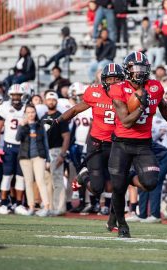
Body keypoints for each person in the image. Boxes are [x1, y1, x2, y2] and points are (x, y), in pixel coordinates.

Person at [108, 51, 167, 237]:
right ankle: (121, 224)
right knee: (117, 188)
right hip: (122, 143)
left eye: (142, 68)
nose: (139, 72)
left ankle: (128, 177)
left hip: (143, 144)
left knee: (150, 182)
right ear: (127, 69)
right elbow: (126, 121)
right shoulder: (118, 88)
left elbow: (163, 106)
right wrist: (141, 106)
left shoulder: (155, 86)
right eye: (135, 68)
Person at [53, 63, 126, 228]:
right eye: (111, 79)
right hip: (96, 143)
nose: (114, 82)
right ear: (104, 80)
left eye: (117, 79)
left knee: (118, 183)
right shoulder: (95, 92)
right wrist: (58, 120)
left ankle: (114, 220)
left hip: (116, 143)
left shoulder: (127, 95)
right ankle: (84, 176)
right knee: (97, 188)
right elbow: (75, 110)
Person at [0, 84, 27, 215]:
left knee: (20, 177)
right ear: (10, 95)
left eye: (18, 95)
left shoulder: (27, 108)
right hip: (9, 146)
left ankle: (18, 204)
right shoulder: (4, 108)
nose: (16, 98)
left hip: (23, 147)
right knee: (7, 176)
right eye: (14, 95)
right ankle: (3, 203)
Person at [16, 105, 51, 216]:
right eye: (28, 112)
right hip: (25, 158)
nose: (31, 114)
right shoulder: (23, 125)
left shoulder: (40, 126)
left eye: (32, 112)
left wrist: (48, 159)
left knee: (40, 181)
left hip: (38, 157)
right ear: (25, 113)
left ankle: (46, 206)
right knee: (28, 182)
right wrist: (22, 126)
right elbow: (17, 138)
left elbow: (45, 143)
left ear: (35, 113)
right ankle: (31, 207)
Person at [41, 91, 71, 216]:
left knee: (57, 179)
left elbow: (66, 136)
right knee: (47, 181)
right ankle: (50, 206)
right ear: (45, 101)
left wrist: (62, 154)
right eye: (49, 100)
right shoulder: (42, 117)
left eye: (53, 100)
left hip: (56, 150)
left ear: (57, 101)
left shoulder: (61, 117)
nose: (51, 102)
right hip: (44, 151)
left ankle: (60, 207)